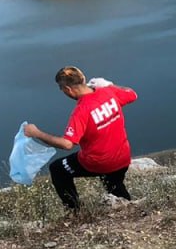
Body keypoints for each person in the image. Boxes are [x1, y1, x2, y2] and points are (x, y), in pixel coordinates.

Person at [23, 67, 139, 210]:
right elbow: (132, 94)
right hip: (122, 157)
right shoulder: (108, 92)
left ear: (67, 89)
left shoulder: (81, 111)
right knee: (114, 185)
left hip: (99, 163)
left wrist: (37, 133)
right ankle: (127, 206)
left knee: (58, 169)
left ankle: (75, 211)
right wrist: (108, 85)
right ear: (83, 79)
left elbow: (67, 144)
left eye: (62, 89)